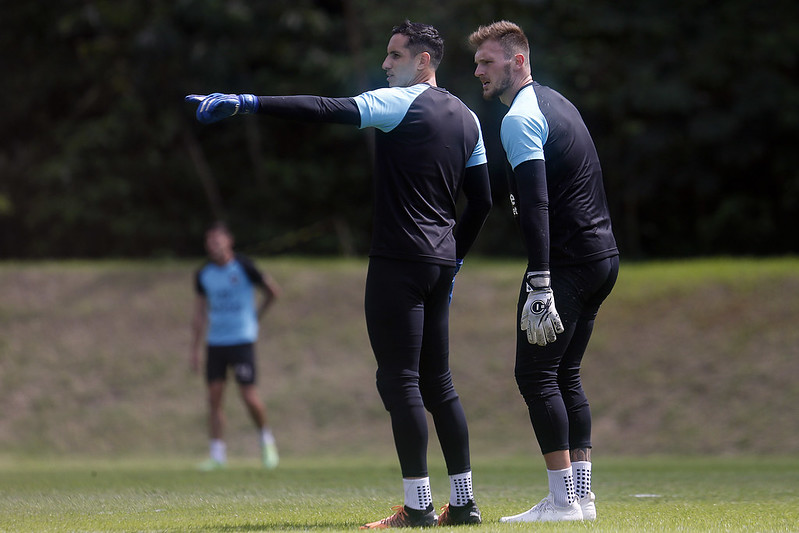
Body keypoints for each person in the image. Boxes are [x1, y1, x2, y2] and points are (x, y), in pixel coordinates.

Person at [186, 20, 492, 528]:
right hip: (438, 264)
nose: (384, 64)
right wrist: (453, 257)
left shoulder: (401, 102)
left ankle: (418, 510)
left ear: (423, 62)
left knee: (401, 382)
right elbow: (481, 201)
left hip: (398, 262)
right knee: (439, 383)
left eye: (395, 55)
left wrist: (249, 102)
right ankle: (463, 503)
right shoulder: (469, 118)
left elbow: (326, 109)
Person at [468, 21, 620, 522]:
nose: (478, 71)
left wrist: (540, 280)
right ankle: (582, 497)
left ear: (517, 61)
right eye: (477, 63)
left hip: (570, 262)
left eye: (487, 62)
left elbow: (535, 205)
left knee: (534, 375)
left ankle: (562, 503)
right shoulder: (560, 103)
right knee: (565, 374)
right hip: (603, 258)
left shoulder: (520, 117)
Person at [190, 222, 282, 471]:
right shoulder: (203, 274)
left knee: (248, 395)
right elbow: (199, 314)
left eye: (218, 240)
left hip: (241, 340)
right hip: (215, 342)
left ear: (229, 241)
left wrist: (255, 317)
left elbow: (273, 291)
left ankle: (267, 442)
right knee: (214, 398)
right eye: (210, 242)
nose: (214, 246)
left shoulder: (244, 266)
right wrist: (194, 349)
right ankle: (217, 455)